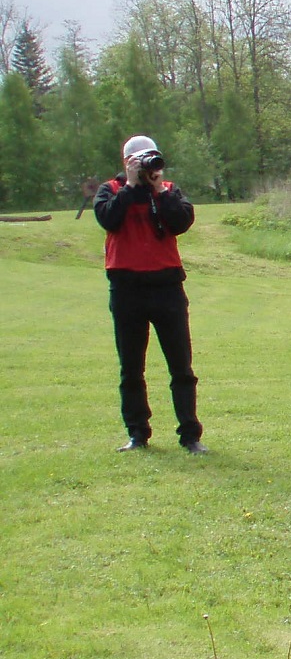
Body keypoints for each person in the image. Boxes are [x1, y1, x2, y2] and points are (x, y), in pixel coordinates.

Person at [94, 134, 206, 454]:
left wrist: (158, 189)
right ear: (127, 163)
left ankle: (190, 435)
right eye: (141, 160)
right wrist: (130, 186)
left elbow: (182, 221)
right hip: (127, 289)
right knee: (131, 368)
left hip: (167, 288)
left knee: (181, 367)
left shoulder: (169, 191)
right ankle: (137, 434)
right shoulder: (112, 191)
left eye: (152, 158)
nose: (148, 166)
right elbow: (108, 219)